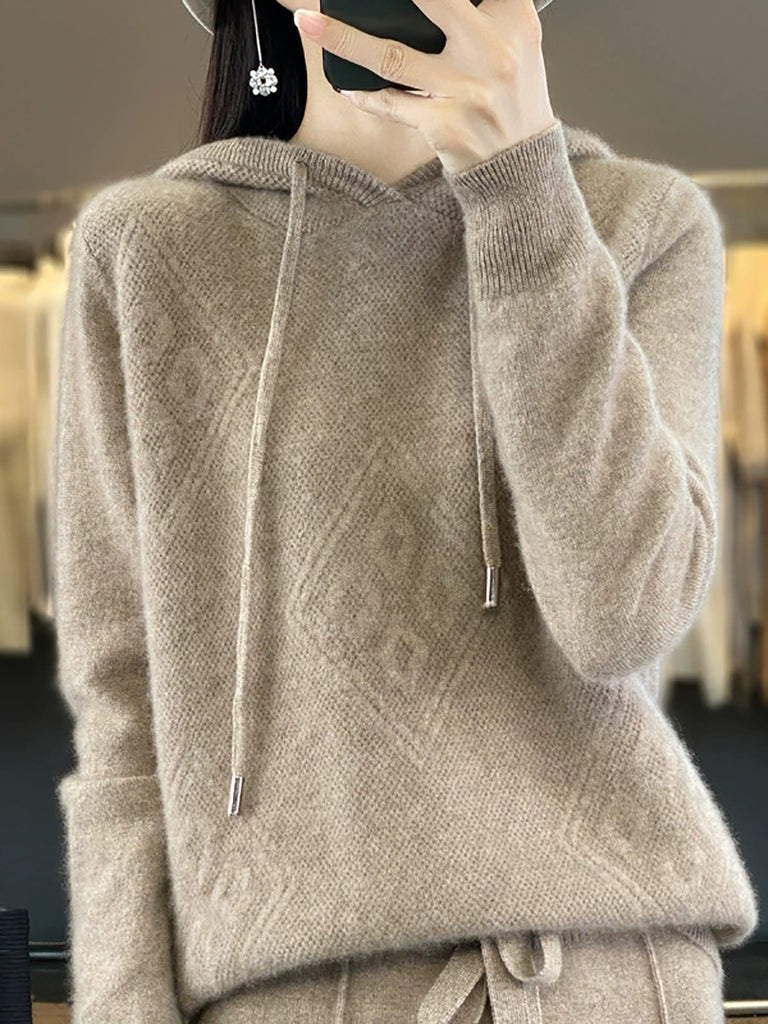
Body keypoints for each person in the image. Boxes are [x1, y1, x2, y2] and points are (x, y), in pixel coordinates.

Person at [52, 0, 758, 1021]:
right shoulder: (146, 250)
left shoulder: (637, 222)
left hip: (598, 976)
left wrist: (523, 193)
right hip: (289, 992)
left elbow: (623, 615)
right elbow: (123, 705)